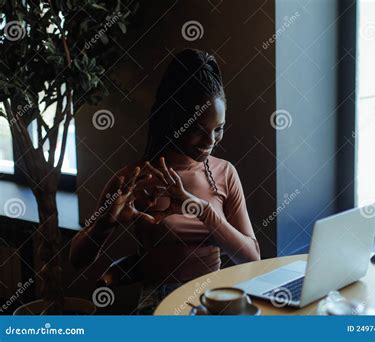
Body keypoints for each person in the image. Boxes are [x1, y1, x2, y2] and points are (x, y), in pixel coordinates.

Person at [69, 48, 261, 314]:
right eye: (197, 130)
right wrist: (104, 224)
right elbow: (77, 259)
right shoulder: (134, 179)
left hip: (214, 303)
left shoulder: (224, 173)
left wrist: (204, 211)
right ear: (174, 121)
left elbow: (251, 258)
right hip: (160, 306)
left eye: (219, 129)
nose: (210, 142)